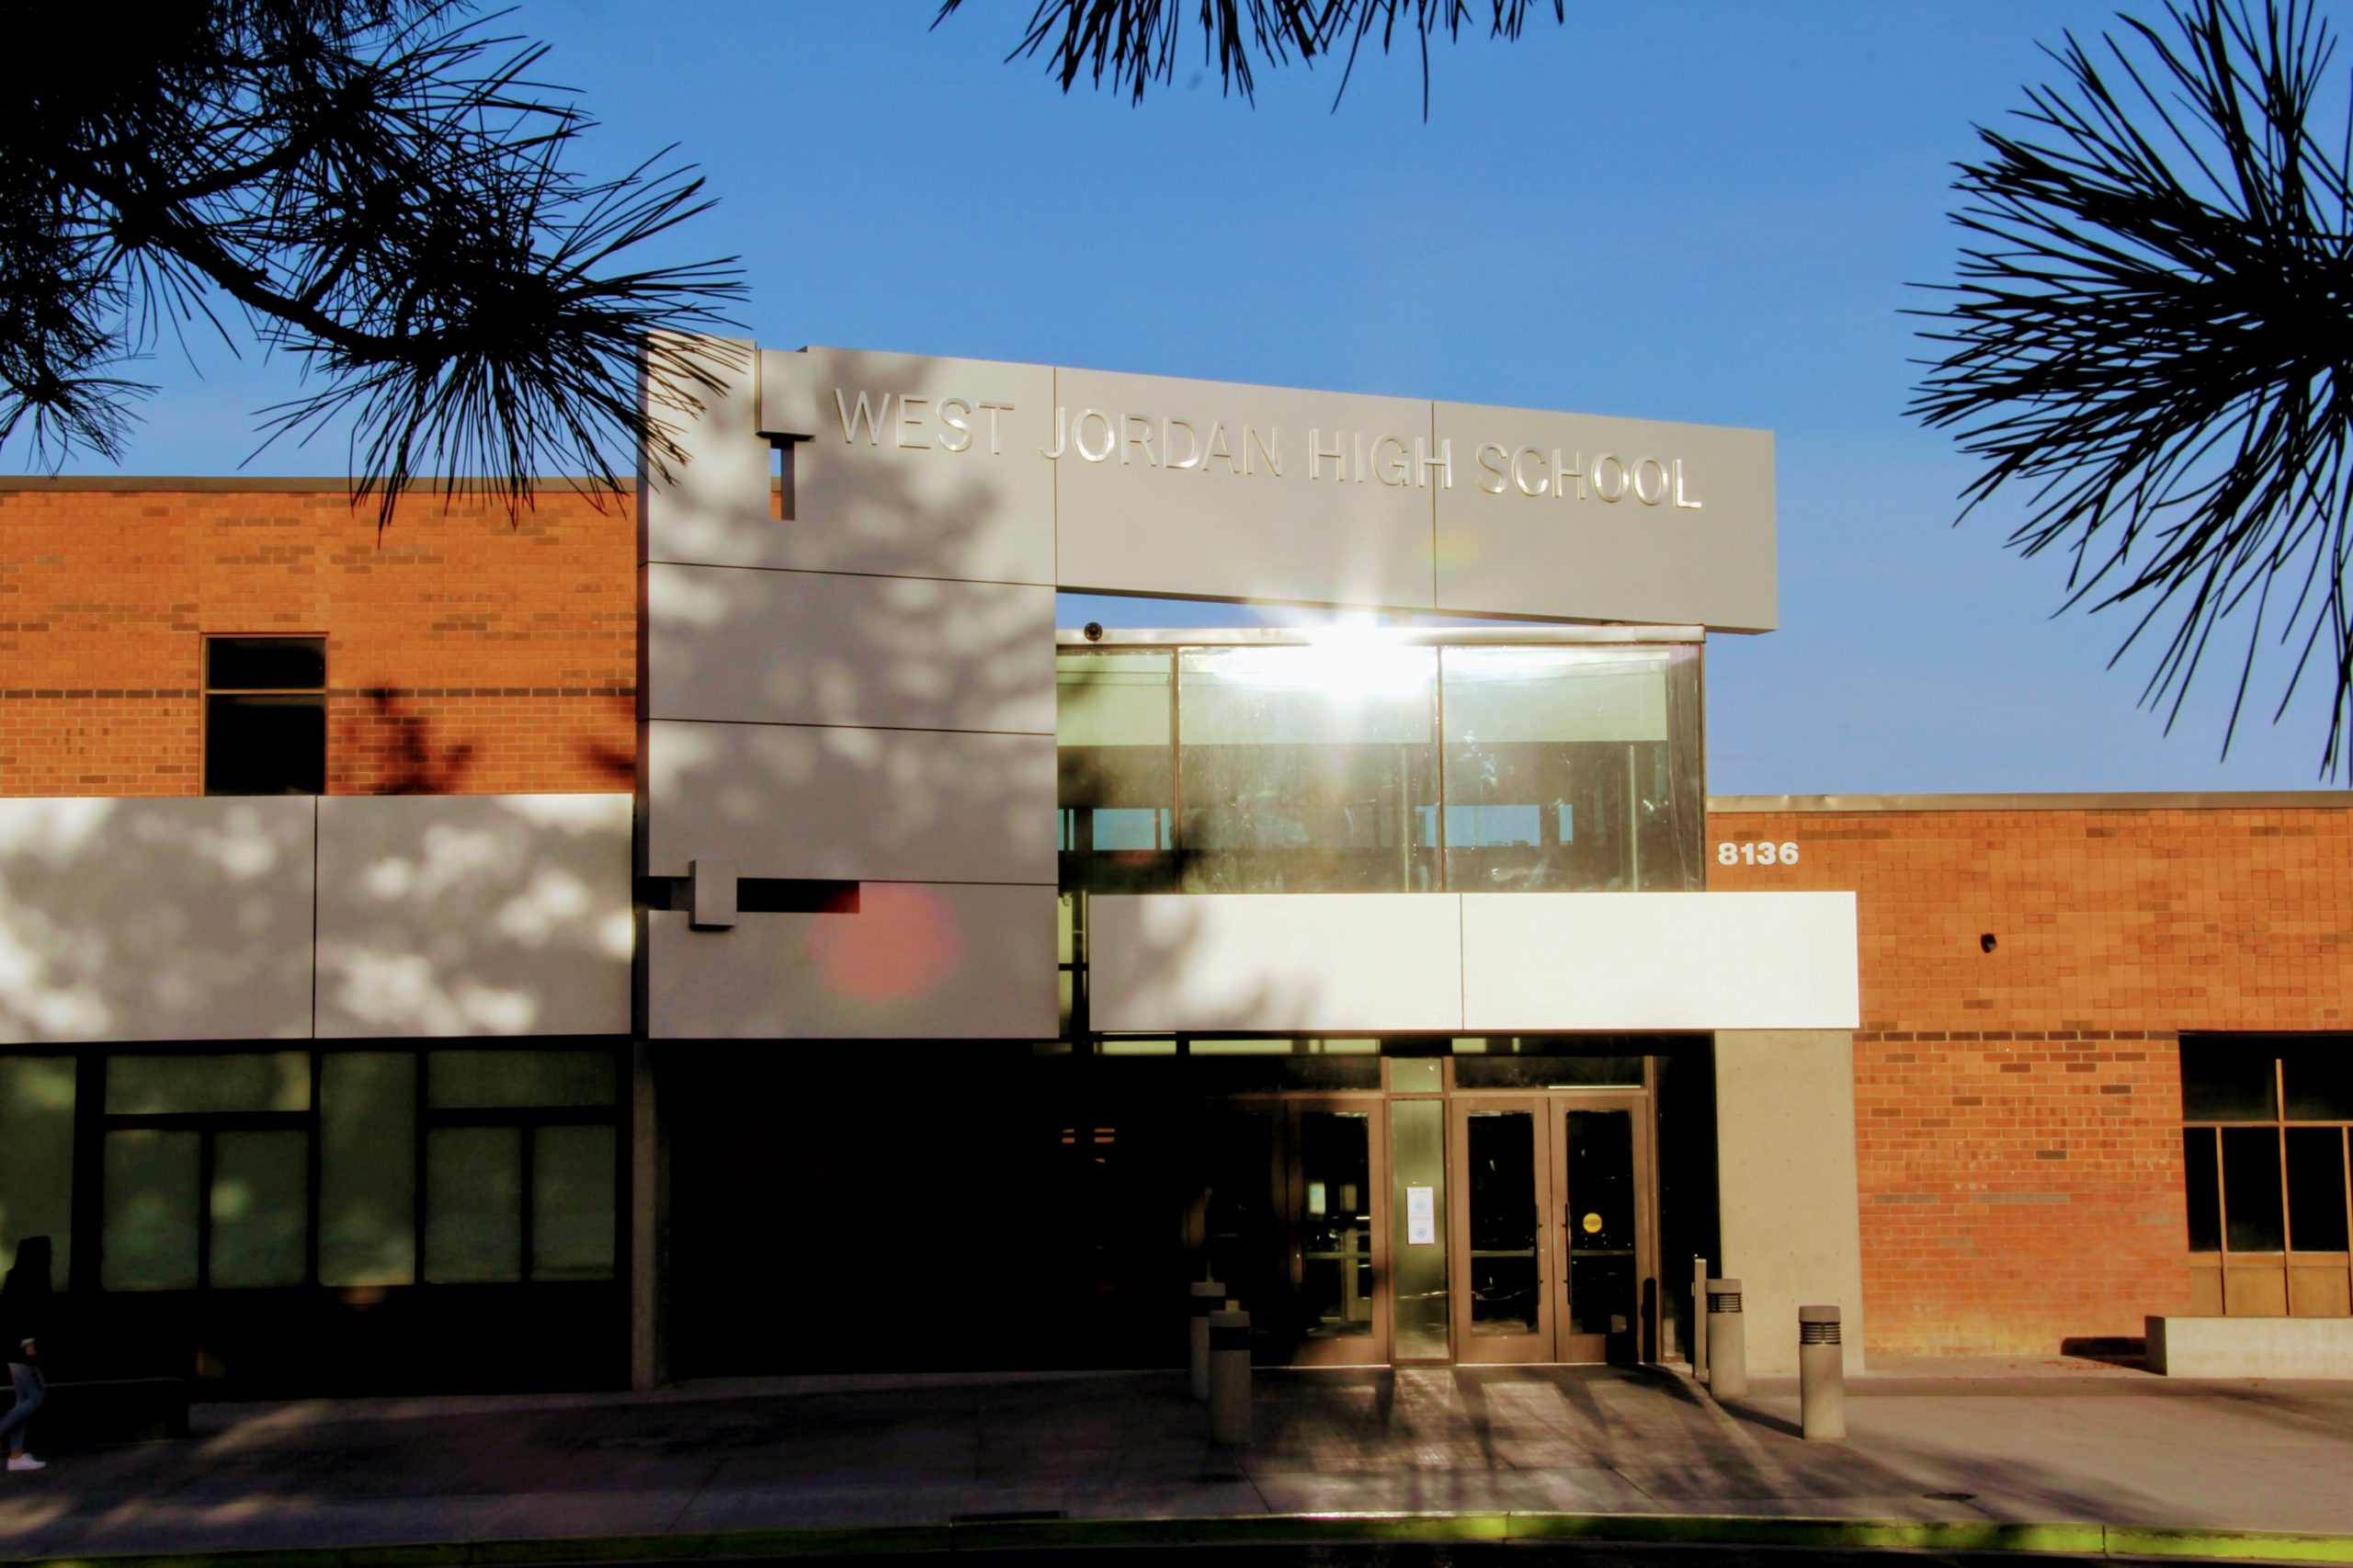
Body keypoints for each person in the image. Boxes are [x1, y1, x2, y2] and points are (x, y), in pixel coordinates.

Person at [0, 1237, 53, 1472]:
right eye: (49, 1252)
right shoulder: (29, 1277)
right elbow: (21, 1312)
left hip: (17, 1347)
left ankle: (16, 1455)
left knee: (24, 1400)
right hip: (22, 1348)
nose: (53, 1256)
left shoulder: (20, 1274)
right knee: (35, 1397)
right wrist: (28, 1341)